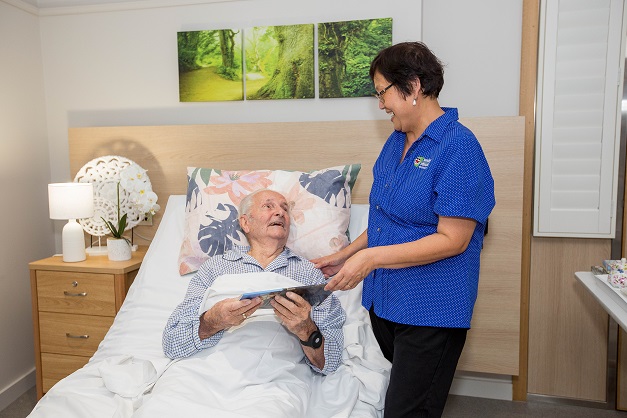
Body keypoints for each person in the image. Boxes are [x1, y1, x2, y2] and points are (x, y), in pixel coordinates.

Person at [313, 42, 495, 418]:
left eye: (383, 93)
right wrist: (345, 255)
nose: (381, 104)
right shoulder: (396, 142)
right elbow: (385, 219)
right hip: (386, 302)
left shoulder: (459, 148)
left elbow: (454, 240)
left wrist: (370, 258)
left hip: (430, 309)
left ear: (412, 87)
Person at [163, 189, 346, 375]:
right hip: (209, 373)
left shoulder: (309, 274)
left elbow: (330, 364)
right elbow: (172, 343)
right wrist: (212, 321)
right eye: (268, 206)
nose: (280, 212)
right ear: (245, 223)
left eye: (285, 209)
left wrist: (307, 330)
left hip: (276, 380)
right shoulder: (215, 268)